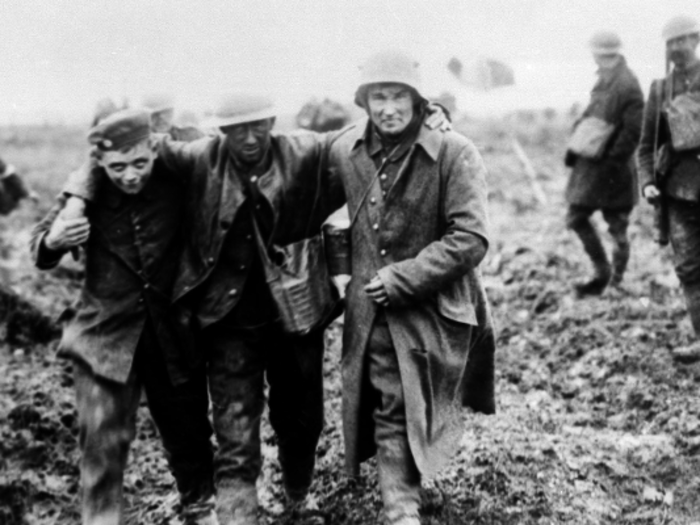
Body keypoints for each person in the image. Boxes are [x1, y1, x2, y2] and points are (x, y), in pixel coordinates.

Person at [325, 49, 496, 525]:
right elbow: (304, 191)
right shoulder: (346, 149)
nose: (388, 108)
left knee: (423, 404)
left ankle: (408, 486)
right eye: (378, 96)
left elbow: (471, 237)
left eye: (399, 96)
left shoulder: (455, 152)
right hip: (374, 314)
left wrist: (404, 277)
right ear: (364, 101)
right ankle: (401, 510)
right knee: (392, 403)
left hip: (436, 310)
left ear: (419, 100)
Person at [30, 110, 216, 525]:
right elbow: (39, 248)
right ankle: (101, 518)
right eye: (117, 167)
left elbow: (204, 153)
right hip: (104, 337)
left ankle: (200, 507)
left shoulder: (176, 183)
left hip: (171, 333)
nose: (130, 176)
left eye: (138, 164)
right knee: (100, 440)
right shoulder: (85, 195)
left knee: (188, 434)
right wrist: (53, 241)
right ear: (99, 163)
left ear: (152, 151)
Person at [638, 15, 700, 362]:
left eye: (682, 40)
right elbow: (646, 146)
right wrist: (647, 182)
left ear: (695, 39)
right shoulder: (660, 90)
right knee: (690, 269)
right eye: (670, 42)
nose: (676, 47)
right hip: (677, 193)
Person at [564, 30, 644, 296]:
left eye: (600, 55)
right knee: (576, 218)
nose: (597, 60)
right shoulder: (603, 81)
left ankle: (617, 282)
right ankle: (602, 271)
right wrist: (575, 146)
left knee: (618, 227)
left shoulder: (628, 84)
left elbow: (633, 131)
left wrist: (612, 162)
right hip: (592, 167)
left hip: (614, 170)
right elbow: (590, 117)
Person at [141, 92, 205, 141]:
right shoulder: (142, 142)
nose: (161, 117)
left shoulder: (192, 135)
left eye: (166, 112)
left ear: (172, 112)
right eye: (155, 114)